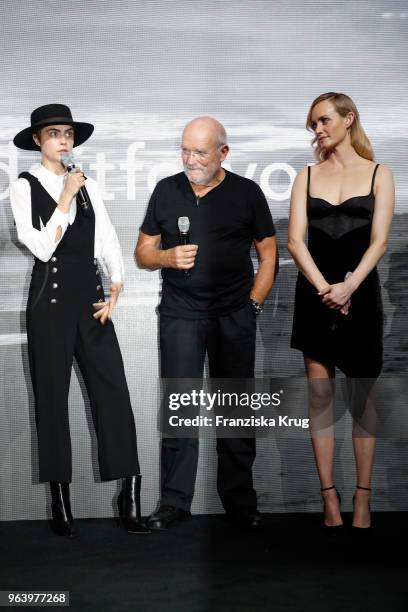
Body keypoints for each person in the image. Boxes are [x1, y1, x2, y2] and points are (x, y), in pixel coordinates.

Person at [10, 104, 150, 536]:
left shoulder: (87, 184)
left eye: (68, 133)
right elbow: (40, 247)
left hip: (91, 300)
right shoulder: (24, 185)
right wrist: (66, 197)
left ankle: (129, 496)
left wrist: (117, 287)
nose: (64, 140)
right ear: (39, 140)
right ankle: (60, 498)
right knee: (52, 399)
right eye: (54, 133)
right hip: (48, 302)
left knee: (114, 393)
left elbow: (105, 238)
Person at [136, 116, 278, 531]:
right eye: (185, 150)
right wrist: (164, 258)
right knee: (180, 410)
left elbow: (268, 255)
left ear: (223, 153)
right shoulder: (166, 190)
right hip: (180, 314)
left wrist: (252, 305)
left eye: (200, 151)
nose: (190, 159)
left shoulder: (247, 193)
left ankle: (239, 501)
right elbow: (144, 251)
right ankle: (174, 502)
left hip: (234, 314)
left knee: (235, 412)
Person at [288, 93, 394, 528]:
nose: (318, 130)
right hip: (316, 295)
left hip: (361, 295)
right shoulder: (306, 176)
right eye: (313, 124)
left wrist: (350, 285)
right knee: (320, 400)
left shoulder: (379, 174)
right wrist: (326, 290)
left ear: (349, 119)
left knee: (363, 401)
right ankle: (329, 497)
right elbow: (295, 241)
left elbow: (379, 241)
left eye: (324, 120)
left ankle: (362, 498)